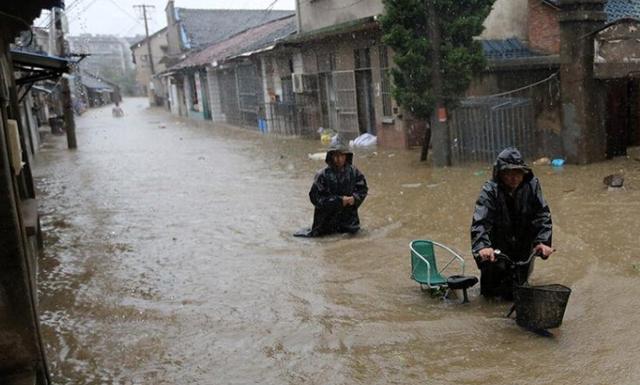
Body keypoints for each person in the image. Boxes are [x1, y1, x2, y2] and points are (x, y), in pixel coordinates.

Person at [470, 147, 554, 299]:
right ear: (501, 174)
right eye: (509, 173)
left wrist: (543, 242)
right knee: (490, 296)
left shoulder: (532, 186)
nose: (514, 178)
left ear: (524, 173)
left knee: (521, 291)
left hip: (523, 246)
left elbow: (542, 214)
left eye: (518, 173)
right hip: (497, 250)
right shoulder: (489, 191)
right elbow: (481, 221)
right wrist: (483, 246)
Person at [295, 141, 368, 237]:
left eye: (341, 156)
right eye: (335, 156)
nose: (339, 159)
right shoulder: (322, 175)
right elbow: (316, 199)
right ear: (331, 157)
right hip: (326, 224)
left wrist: (354, 198)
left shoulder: (354, 172)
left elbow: (362, 190)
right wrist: (339, 201)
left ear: (346, 156)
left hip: (349, 223)